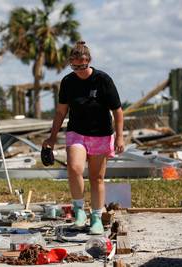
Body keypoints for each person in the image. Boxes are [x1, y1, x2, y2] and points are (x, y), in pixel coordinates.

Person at [43, 41, 124, 235]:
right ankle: (79, 210)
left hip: (101, 134)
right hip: (77, 131)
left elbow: (118, 111)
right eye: (75, 66)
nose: (79, 70)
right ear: (70, 63)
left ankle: (96, 217)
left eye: (83, 66)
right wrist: (52, 137)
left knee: (97, 178)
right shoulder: (68, 82)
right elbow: (61, 111)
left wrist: (120, 137)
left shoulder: (103, 80)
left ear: (89, 61)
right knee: (74, 168)